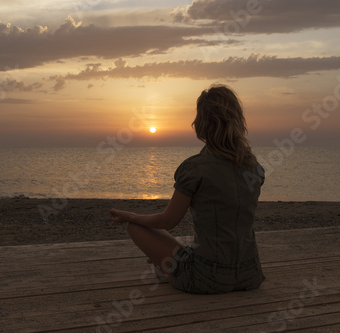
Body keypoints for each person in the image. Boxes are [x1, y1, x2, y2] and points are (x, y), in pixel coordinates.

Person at [109, 84, 266, 294]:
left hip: (208, 278)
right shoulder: (255, 167)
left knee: (135, 227)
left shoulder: (194, 168)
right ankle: (167, 264)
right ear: (238, 120)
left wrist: (132, 216)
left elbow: (168, 221)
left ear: (201, 124)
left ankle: (166, 269)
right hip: (251, 274)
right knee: (192, 249)